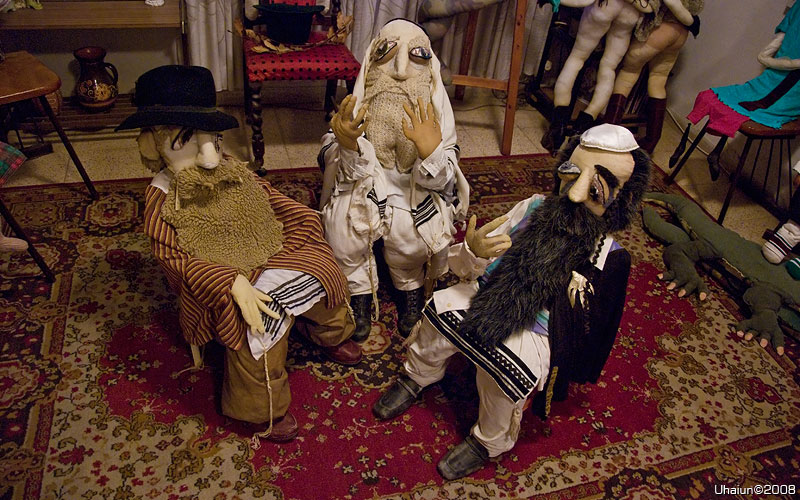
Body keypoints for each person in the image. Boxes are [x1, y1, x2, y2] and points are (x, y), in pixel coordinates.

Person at [372, 124, 652, 480]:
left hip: (538, 331)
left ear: (621, 201)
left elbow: (597, 327)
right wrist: (474, 250)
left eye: (595, 191)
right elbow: (470, 265)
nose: (575, 195)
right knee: (438, 314)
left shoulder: (609, 259)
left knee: (505, 379)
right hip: (488, 292)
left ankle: (488, 441)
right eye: (571, 175)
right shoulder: (533, 208)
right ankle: (419, 374)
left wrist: (570, 364)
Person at [116, 65, 361, 445]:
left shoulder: (228, 165)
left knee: (319, 264)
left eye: (213, 140)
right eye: (188, 142)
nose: (210, 158)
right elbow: (173, 259)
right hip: (217, 275)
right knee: (254, 324)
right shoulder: (163, 196)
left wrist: (306, 226)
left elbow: (269, 199)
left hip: (264, 249)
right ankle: (259, 407)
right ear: (154, 144)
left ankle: (329, 330)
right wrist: (230, 281)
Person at [318, 18, 469, 341]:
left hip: (414, 190)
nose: (400, 71)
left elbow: (446, 183)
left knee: (413, 235)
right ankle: (359, 290)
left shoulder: (438, 115)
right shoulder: (357, 109)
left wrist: (431, 154)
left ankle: (409, 285)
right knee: (343, 227)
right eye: (387, 54)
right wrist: (348, 145)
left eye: (417, 56)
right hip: (366, 184)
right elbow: (342, 173)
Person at [541, 0, 655, 152]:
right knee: (609, 68)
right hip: (630, 13)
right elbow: (650, 8)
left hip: (604, 6)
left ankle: (558, 127)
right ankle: (581, 129)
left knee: (576, 58)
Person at [605, 0, 702, 152]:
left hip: (662, 27)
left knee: (628, 73)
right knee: (658, 79)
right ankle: (651, 142)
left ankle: (607, 133)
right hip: (681, 32)